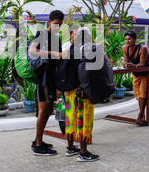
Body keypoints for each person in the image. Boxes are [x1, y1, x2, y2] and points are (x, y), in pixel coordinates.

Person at [29, 10, 64, 156]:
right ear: (49, 21)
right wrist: (52, 53)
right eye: (56, 24)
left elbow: (58, 63)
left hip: (52, 79)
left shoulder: (57, 39)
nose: (57, 27)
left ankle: (39, 140)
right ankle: (38, 145)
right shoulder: (41, 34)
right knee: (44, 111)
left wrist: (58, 85)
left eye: (60, 25)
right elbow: (32, 51)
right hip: (43, 78)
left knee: (49, 110)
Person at [62, 26, 99, 162]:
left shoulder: (71, 49)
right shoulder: (89, 50)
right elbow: (93, 72)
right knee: (84, 120)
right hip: (84, 90)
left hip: (71, 90)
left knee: (71, 118)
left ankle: (71, 147)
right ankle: (83, 152)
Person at [122, 31, 149, 126]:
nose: (127, 41)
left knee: (143, 94)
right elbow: (127, 61)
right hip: (136, 74)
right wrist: (126, 65)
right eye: (126, 39)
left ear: (135, 39)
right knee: (137, 94)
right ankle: (142, 115)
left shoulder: (142, 48)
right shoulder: (124, 48)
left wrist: (134, 66)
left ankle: (140, 115)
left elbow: (142, 64)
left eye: (129, 39)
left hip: (146, 73)